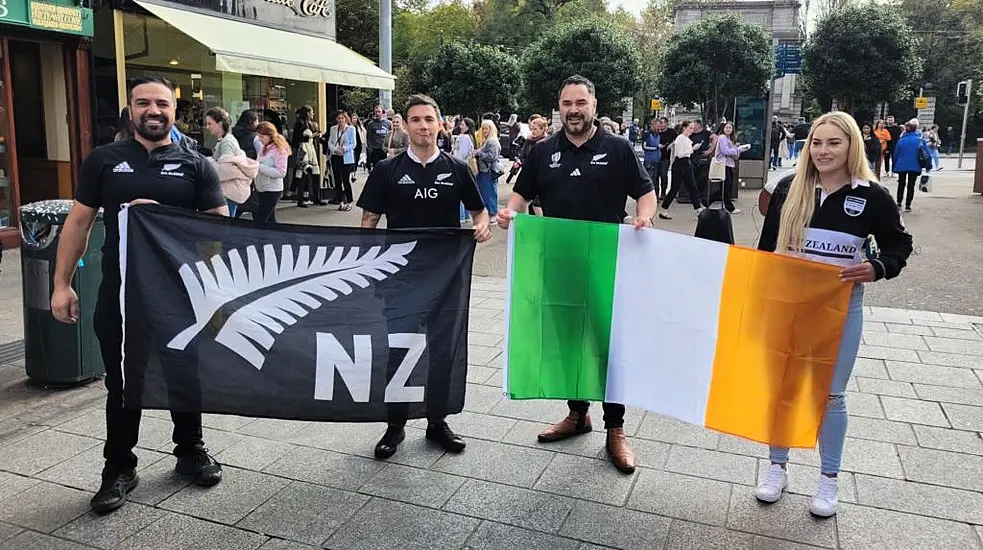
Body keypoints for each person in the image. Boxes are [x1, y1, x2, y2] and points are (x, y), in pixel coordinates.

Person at [50, 76, 228, 515]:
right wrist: (61, 283)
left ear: (175, 108)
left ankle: (190, 451)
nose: (153, 110)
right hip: (120, 295)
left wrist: (168, 219)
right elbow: (79, 223)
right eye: (143, 103)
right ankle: (118, 468)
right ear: (130, 110)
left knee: (185, 375)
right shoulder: (104, 161)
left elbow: (220, 231)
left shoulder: (197, 163)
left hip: (181, 297)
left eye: (162, 103)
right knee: (122, 383)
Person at [497, 75, 657, 474]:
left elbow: (645, 192)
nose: (573, 110)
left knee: (608, 346)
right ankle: (577, 414)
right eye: (567, 103)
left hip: (608, 265)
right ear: (559, 107)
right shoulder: (542, 151)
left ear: (594, 105)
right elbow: (521, 195)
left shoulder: (618, 149)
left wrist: (644, 217)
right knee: (569, 342)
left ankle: (616, 429)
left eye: (580, 102)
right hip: (559, 264)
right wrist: (510, 213)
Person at [755, 111, 912, 518]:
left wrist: (878, 267)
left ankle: (829, 478)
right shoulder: (790, 188)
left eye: (833, 143)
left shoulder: (873, 196)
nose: (823, 151)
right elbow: (765, 250)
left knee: (832, 395)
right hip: (789, 307)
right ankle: (777, 467)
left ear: (851, 147)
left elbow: (899, 246)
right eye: (817, 143)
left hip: (840, 308)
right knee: (785, 389)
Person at [357, 93, 491, 459]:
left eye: (429, 119)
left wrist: (482, 227)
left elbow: (481, 212)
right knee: (399, 349)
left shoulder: (458, 169)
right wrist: (367, 265)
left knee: (442, 352)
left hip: (446, 278)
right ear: (405, 124)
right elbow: (368, 220)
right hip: (400, 278)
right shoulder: (387, 171)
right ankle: (395, 425)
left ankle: (437, 422)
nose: (423, 126)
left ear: (439, 123)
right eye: (415, 119)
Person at [659, 121, 703, 220]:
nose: (692, 130)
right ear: (684, 128)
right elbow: (679, 154)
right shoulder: (680, 138)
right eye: (690, 128)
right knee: (674, 188)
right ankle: (664, 210)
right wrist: (693, 149)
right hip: (680, 164)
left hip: (687, 163)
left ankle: (698, 210)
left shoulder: (686, 139)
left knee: (692, 187)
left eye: (692, 128)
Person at [253, 121, 290, 223]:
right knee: (270, 221)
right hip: (262, 188)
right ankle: (276, 239)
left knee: (260, 220)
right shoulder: (264, 148)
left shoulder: (279, 150)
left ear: (270, 135)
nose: (260, 140)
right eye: (259, 137)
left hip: (272, 189)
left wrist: (259, 167)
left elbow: (281, 172)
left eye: (262, 137)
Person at [892, 119, 928, 212]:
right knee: (911, 185)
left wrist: (894, 166)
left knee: (901, 184)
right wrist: (928, 165)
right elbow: (927, 154)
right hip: (914, 165)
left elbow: (895, 154)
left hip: (901, 165)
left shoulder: (901, 141)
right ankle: (908, 205)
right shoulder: (920, 140)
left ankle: (899, 202)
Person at [327, 110, 357, 211]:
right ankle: (340, 201)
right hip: (336, 156)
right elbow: (330, 142)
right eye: (339, 118)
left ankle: (349, 201)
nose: (340, 120)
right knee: (337, 180)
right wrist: (335, 150)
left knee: (346, 180)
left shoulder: (351, 129)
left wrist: (345, 149)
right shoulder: (333, 129)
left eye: (342, 118)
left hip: (346, 157)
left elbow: (354, 144)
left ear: (346, 119)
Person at [473, 120, 502, 217]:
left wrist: (479, 153)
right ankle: (489, 214)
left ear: (491, 129)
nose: (484, 131)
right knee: (485, 193)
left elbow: (492, 156)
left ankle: (492, 214)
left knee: (489, 194)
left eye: (486, 128)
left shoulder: (492, 141)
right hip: (484, 170)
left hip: (488, 171)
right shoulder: (487, 140)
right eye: (483, 128)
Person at [713, 122, 743, 213]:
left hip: (729, 164)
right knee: (726, 186)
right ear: (723, 128)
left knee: (726, 186)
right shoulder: (722, 137)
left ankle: (707, 200)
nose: (728, 129)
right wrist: (738, 150)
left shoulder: (729, 139)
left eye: (730, 128)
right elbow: (725, 151)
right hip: (723, 165)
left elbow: (732, 154)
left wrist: (737, 150)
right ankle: (729, 207)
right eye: (727, 127)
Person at [364, 105, 391, 172]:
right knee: (377, 168)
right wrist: (370, 149)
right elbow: (369, 137)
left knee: (386, 167)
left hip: (385, 149)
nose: (377, 113)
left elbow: (391, 135)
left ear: (382, 112)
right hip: (375, 149)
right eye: (376, 112)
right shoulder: (371, 124)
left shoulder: (388, 123)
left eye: (379, 111)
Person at [656, 117, 676, 201]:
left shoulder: (671, 132)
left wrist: (671, 144)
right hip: (656, 157)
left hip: (665, 157)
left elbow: (677, 139)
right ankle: (656, 193)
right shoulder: (656, 132)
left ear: (666, 123)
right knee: (655, 176)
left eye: (662, 122)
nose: (660, 124)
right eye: (659, 122)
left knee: (663, 175)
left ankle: (663, 192)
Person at [641, 118, 661, 189]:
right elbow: (644, 147)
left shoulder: (658, 134)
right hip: (649, 160)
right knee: (649, 180)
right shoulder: (647, 134)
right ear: (653, 125)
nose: (659, 128)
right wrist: (656, 148)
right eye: (658, 126)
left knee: (655, 180)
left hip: (656, 160)